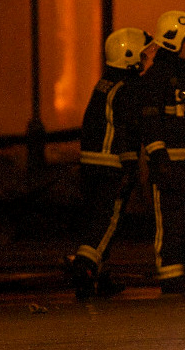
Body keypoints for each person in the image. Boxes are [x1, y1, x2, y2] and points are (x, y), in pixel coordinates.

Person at [70, 27, 156, 300]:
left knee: (97, 219)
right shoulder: (126, 89)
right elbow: (126, 129)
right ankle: (85, 266)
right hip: (111, 166)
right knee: (109, 221)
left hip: (91, 164)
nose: (144, 60)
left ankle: (102, 276)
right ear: (128, 55)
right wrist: (130, 167)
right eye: (142, 55)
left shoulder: (105, 82)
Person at [133, 10, 185, 294]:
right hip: (167, 167)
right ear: (173, 40)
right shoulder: (154, 79)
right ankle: (170, 278)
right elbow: (149, 122)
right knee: (170, 224)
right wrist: (158, 157)